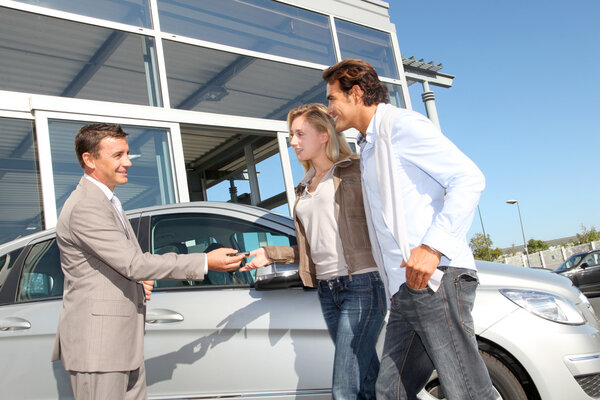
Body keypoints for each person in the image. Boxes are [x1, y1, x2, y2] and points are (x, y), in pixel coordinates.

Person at [322, 59, 495, 400]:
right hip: (405, 290)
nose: (329, 109)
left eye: (332, 99)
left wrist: (432, 247)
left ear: (356, 93)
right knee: (391, 392)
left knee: (467, 391)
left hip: (435, 280)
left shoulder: (401, 126)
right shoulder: (369, 145)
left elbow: (469, 178)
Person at [51, 123, 246, 400]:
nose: (127, 162)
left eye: (127, 153)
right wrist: (204, 261)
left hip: (119, 344)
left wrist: (136, 284)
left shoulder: (106, 201)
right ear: (89, 159)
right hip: (99, 346)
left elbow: (112, 267)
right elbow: (133, 263)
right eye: (117, 155)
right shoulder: (86, 205)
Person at [240, 104, 386, 399]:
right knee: (367, 376)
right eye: (291, 135)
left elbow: (389, 217)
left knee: (345, 387)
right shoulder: (304, 188)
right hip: (327, 289)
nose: (293, 142)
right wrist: (270, 254)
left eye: (299, 134)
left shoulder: (354, 171)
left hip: (362, 283)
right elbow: (310, 246)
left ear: (324, 135)